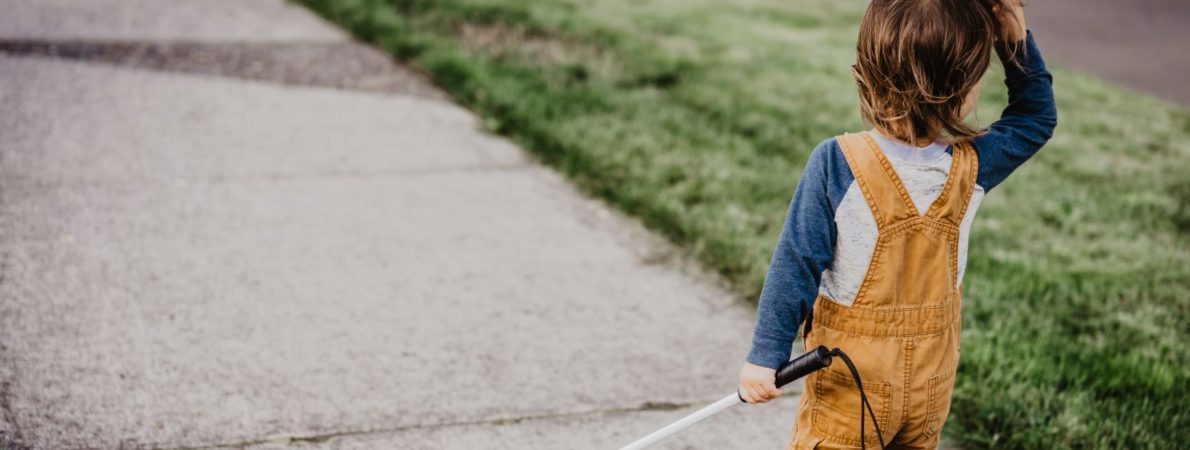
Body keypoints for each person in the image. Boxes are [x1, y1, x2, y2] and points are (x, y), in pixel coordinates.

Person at [737, 0, 1056, 448]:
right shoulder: (972, 167)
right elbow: (1035, 117)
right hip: (929, 387)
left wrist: (765, 356)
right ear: (966, 87)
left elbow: (797, 261)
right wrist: (1015, 40)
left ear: (865, 70)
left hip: (851, 390)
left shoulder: (836, 163)